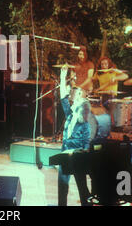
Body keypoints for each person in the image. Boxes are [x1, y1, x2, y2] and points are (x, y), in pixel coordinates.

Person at [58, 65, 92, 206]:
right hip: (65, 153)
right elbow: (63, 99)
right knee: (62, 186)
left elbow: (87, 142)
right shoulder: (70, 114)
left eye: (77, 98)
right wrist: (62, 77)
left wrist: (84, 153)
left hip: (77, 156)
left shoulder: (84, 123)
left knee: (82, 187)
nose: (73, 99)